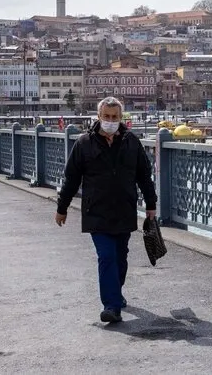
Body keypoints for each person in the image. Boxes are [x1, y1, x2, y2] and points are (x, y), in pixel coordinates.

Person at [54, 97, 157, 323]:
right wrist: (62, 208)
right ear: (99, 117)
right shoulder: (84, 144)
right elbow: (71, 179)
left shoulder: (132, 142)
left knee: (120, 258)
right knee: (107, 256)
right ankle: (111, 306)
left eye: (115, 117)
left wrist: (151, 204)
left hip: (124, 209)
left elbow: (144, 176)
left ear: (121, 118)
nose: (110, 121)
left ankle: (116, 294)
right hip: (96, 212)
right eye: (106, 116)